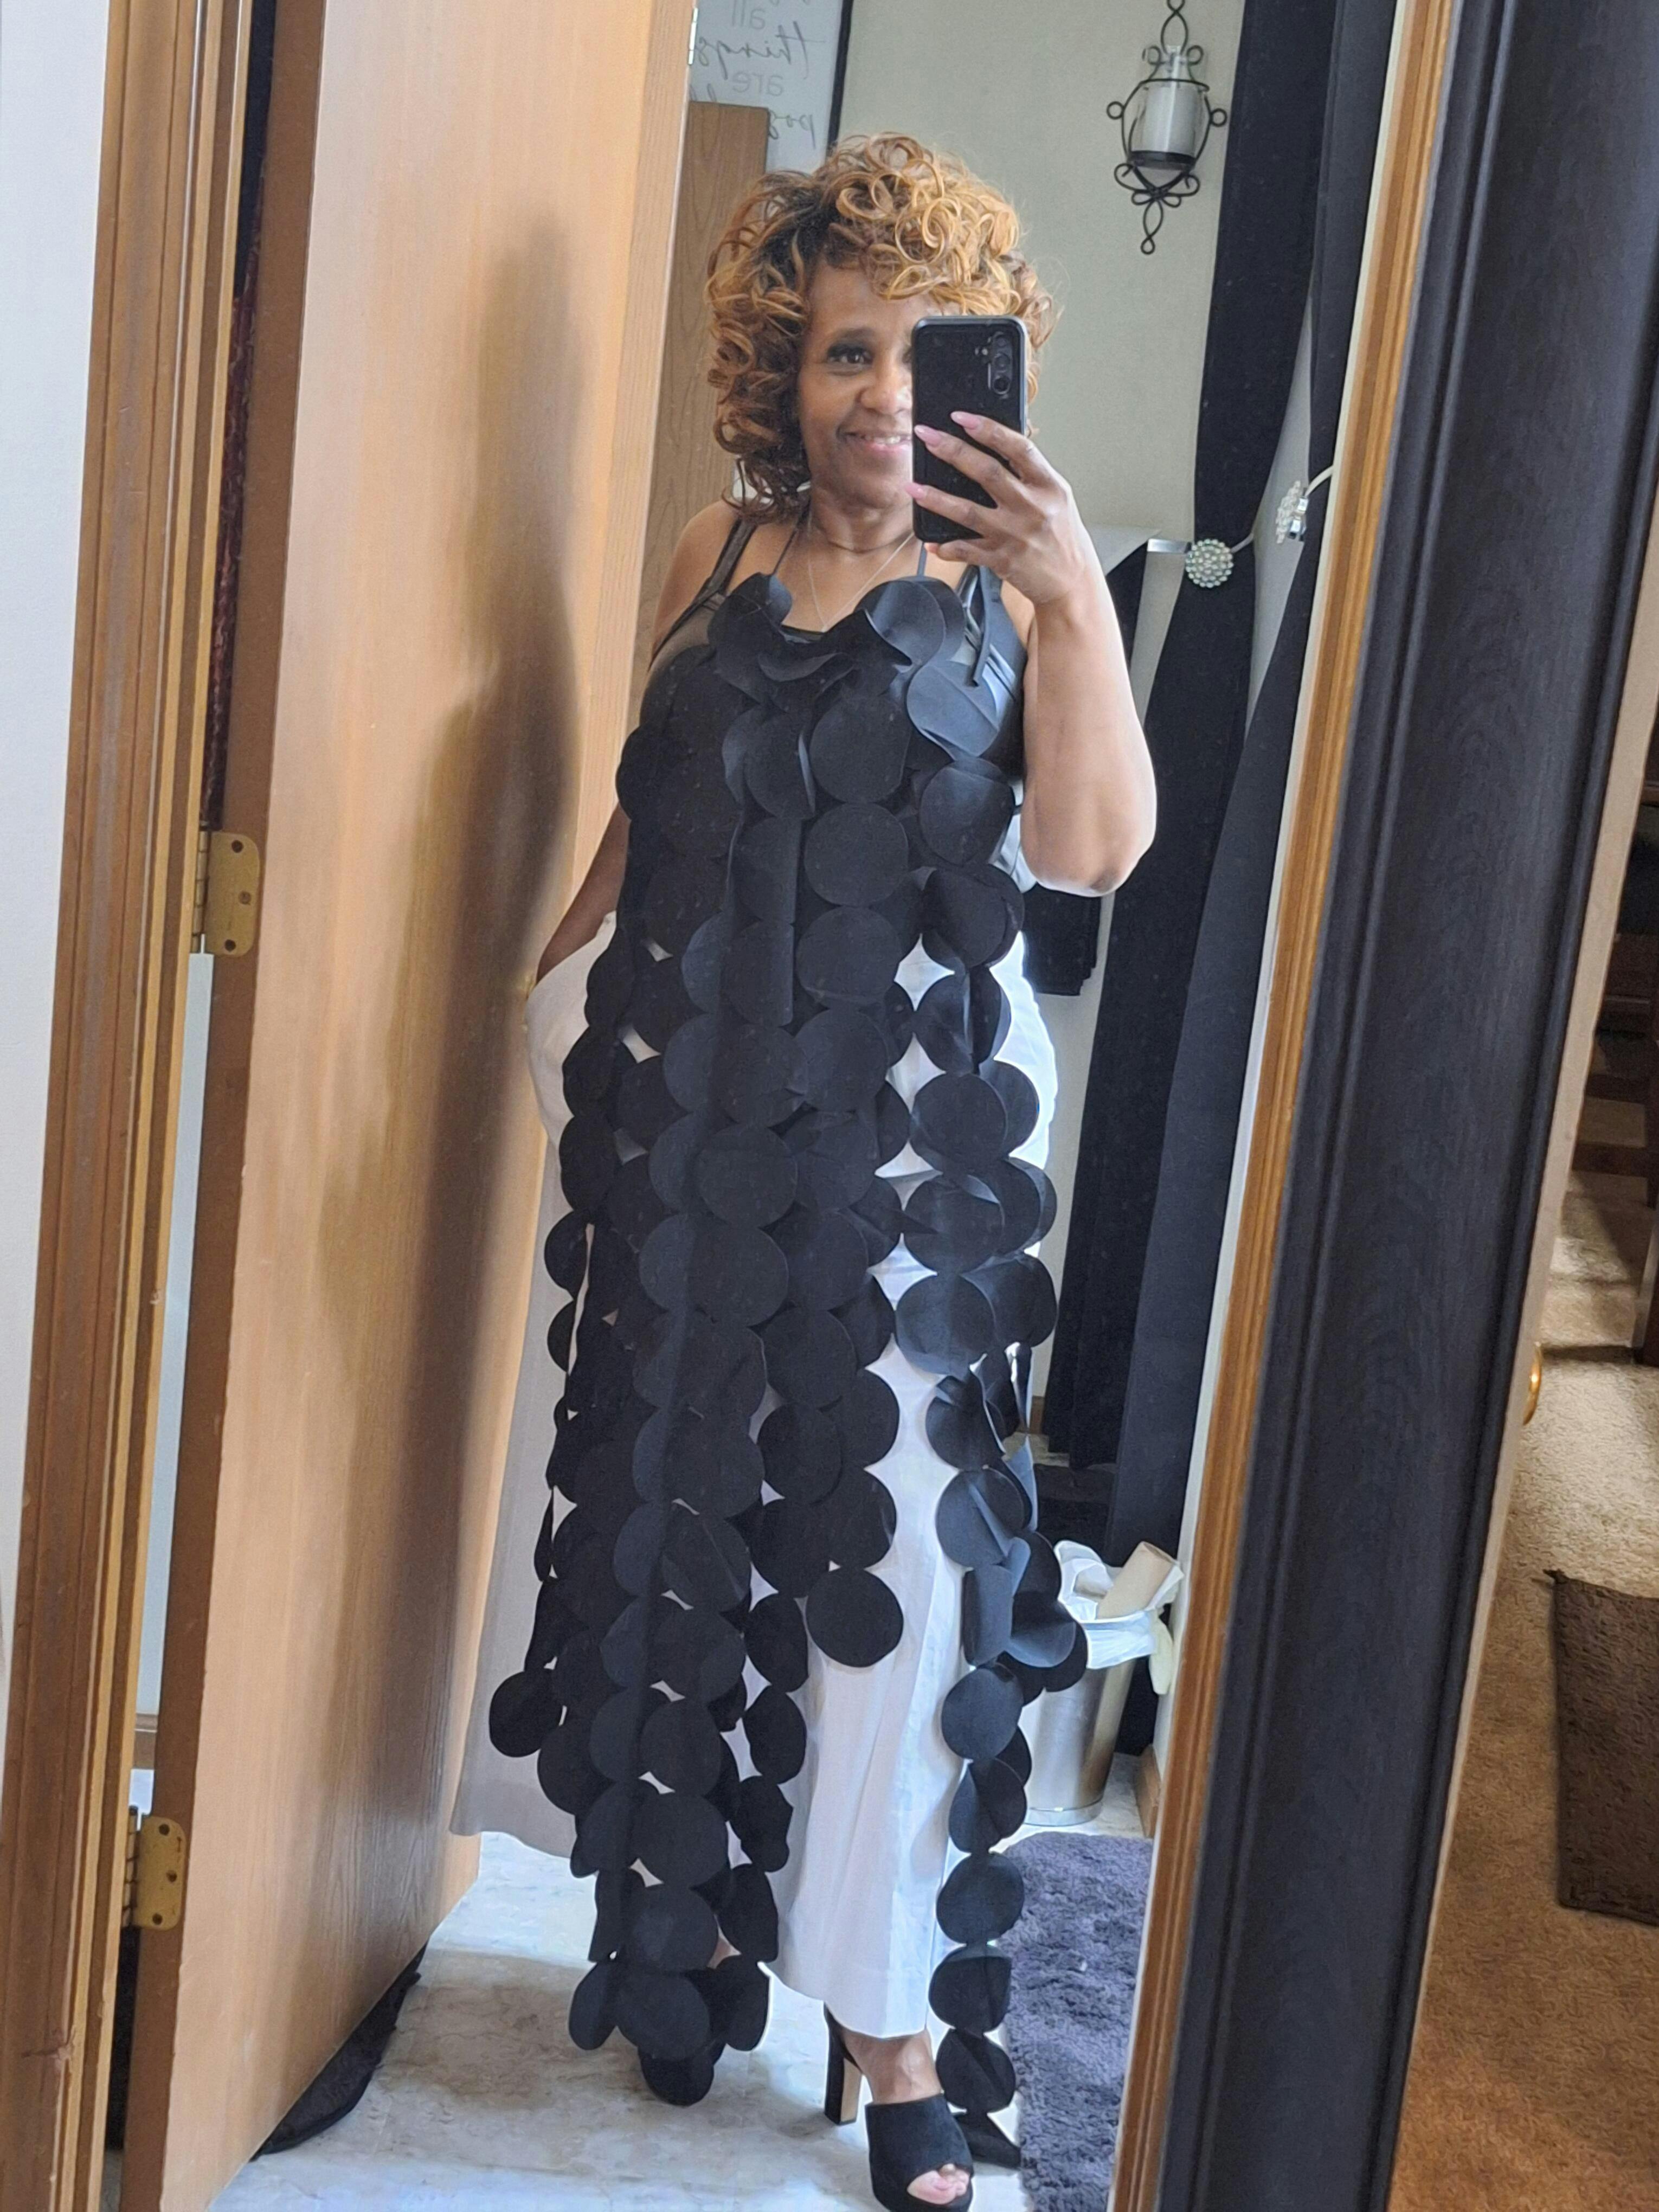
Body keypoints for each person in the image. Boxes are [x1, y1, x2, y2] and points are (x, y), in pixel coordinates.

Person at [457, 136, 1153, 2211]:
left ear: (986, 375)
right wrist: (550, 1000)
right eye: (847, 350)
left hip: (910, 1172)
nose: (882, 395)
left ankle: (891, 2024)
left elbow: (1090, 853)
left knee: (903, 1593)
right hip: (688, 1140)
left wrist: (1070, 597)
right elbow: (643, 806)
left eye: (926, 356)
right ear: (786, 364)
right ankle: (683, 1936)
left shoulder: (1013, 586)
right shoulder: (715, 548)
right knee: (686, 1529)